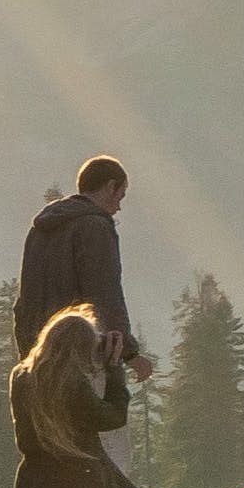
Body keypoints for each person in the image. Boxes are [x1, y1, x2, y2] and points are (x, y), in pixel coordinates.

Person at [8, 310, 179, 488]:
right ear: (81, 349)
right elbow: (112, 417)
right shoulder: (72, 383)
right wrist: (113, 370)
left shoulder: (21, 378)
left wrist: (98, 345)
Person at [13, 155, 151, 380]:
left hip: (38, 356)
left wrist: (27, 354)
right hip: (80, 354)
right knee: (107, 412)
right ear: (110, 186)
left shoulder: (39, 230)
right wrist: (129, 353)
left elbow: (26, 298)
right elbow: (104, 294)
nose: (119, 207)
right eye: (120, 195)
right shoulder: (95, 227)